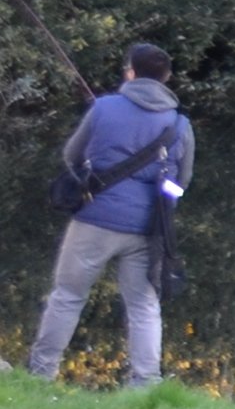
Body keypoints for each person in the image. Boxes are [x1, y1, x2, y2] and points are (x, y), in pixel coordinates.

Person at [28, 42, 194, 388]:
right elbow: (182, 182)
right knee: (144, 306)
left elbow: (71, 156)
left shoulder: (104, 108)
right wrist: (164, 206)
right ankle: (145, 383)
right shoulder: (180, 124)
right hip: (148, 229)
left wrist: (92, 171)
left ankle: (41, 375)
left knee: (69, 295)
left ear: (130, 72)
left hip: (94, 220)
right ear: (166, 79)